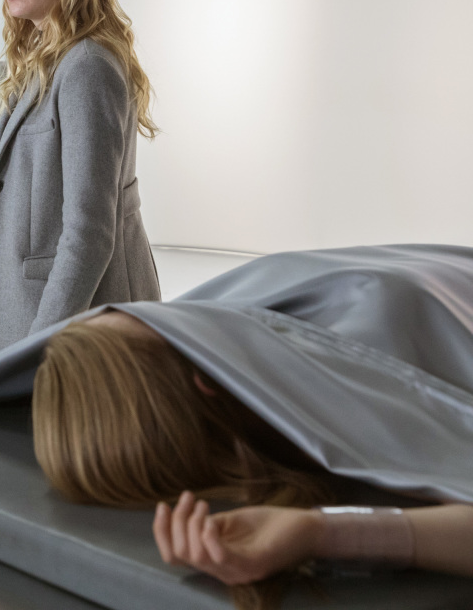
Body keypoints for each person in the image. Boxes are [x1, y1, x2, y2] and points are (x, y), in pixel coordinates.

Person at [30, 245, 473, 608]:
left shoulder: (250, 336)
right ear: (205, 373)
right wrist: (319, 532)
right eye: (155, 321)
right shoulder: (348, 395)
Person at [0, 0, 160, 360]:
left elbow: (89, 231)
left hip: (75, 321)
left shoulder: (86, 68)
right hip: (44, 309)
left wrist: (39, 348)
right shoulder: (46, 60)